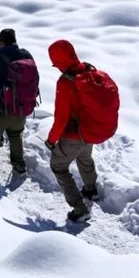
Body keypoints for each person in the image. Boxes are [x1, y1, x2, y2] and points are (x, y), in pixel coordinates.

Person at [45, 39, 120, 224]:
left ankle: (79, 209)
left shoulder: (66, 82)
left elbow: (61, 117)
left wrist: (51, 140)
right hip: (89, 130)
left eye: (55, 63)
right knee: (84, 158)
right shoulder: (89, 70)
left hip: (74, 135)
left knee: (58, 166)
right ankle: (91, 190)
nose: (56, 67)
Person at [0, 27, 39, 175]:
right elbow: (35, 78)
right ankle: (19, 163)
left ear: (1, 41)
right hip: (22, 105)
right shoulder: (26, 54)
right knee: (15, 134)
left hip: (3, 107)